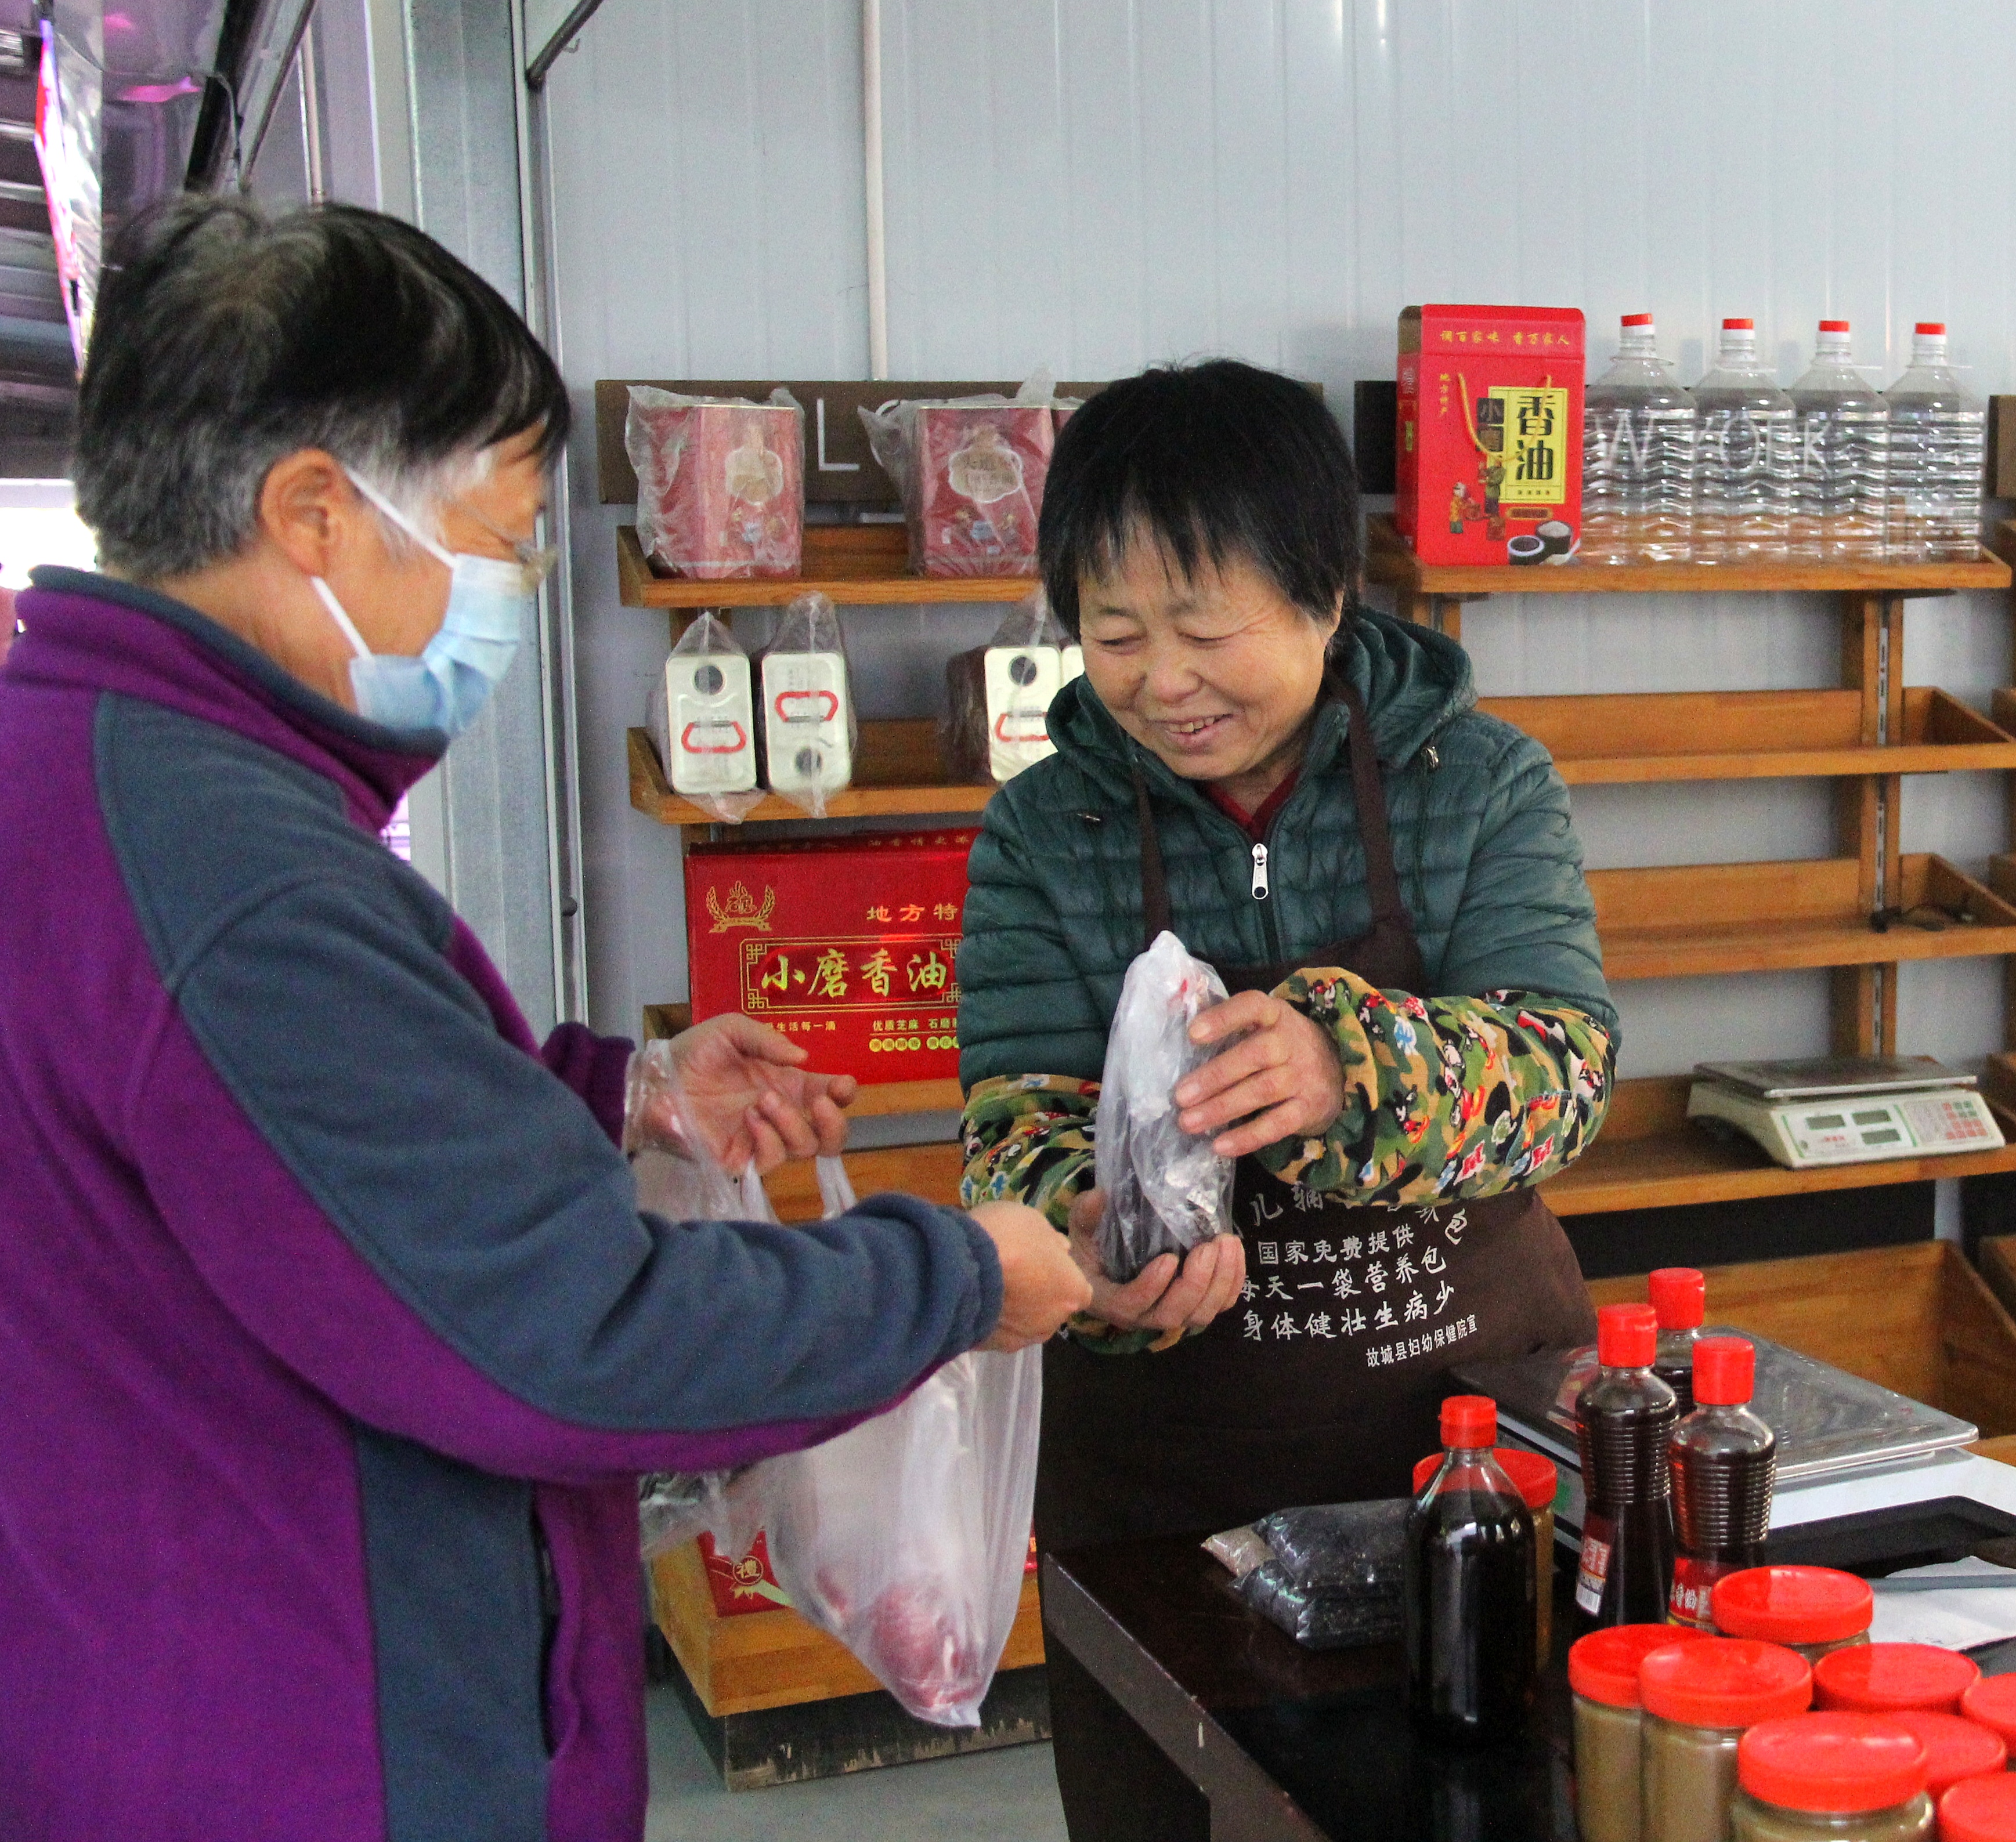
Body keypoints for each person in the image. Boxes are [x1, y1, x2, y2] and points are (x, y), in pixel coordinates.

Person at [0, 198, 1090, 1842]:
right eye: (500, 539)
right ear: (314, 513)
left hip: (148, 1669)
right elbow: (575, 1335)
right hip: (309, 1742)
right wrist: (960, 1278)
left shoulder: (93, 777)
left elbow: (289, 1152)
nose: (510, 592)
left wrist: (610, 1093)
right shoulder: (230, 873)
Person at [957, 359, 1618, 1841]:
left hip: (1465, 1439)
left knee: (1476, 1801)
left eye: (1206, 630)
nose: (1162, 680)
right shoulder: (1045, 829)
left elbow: (1568, 1072)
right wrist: (1084, 1227)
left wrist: (1349, 1068)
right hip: (1168, 1474)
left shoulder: (1480, 783)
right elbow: (1012, 1117)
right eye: (1115, 635)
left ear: (1326, 598)